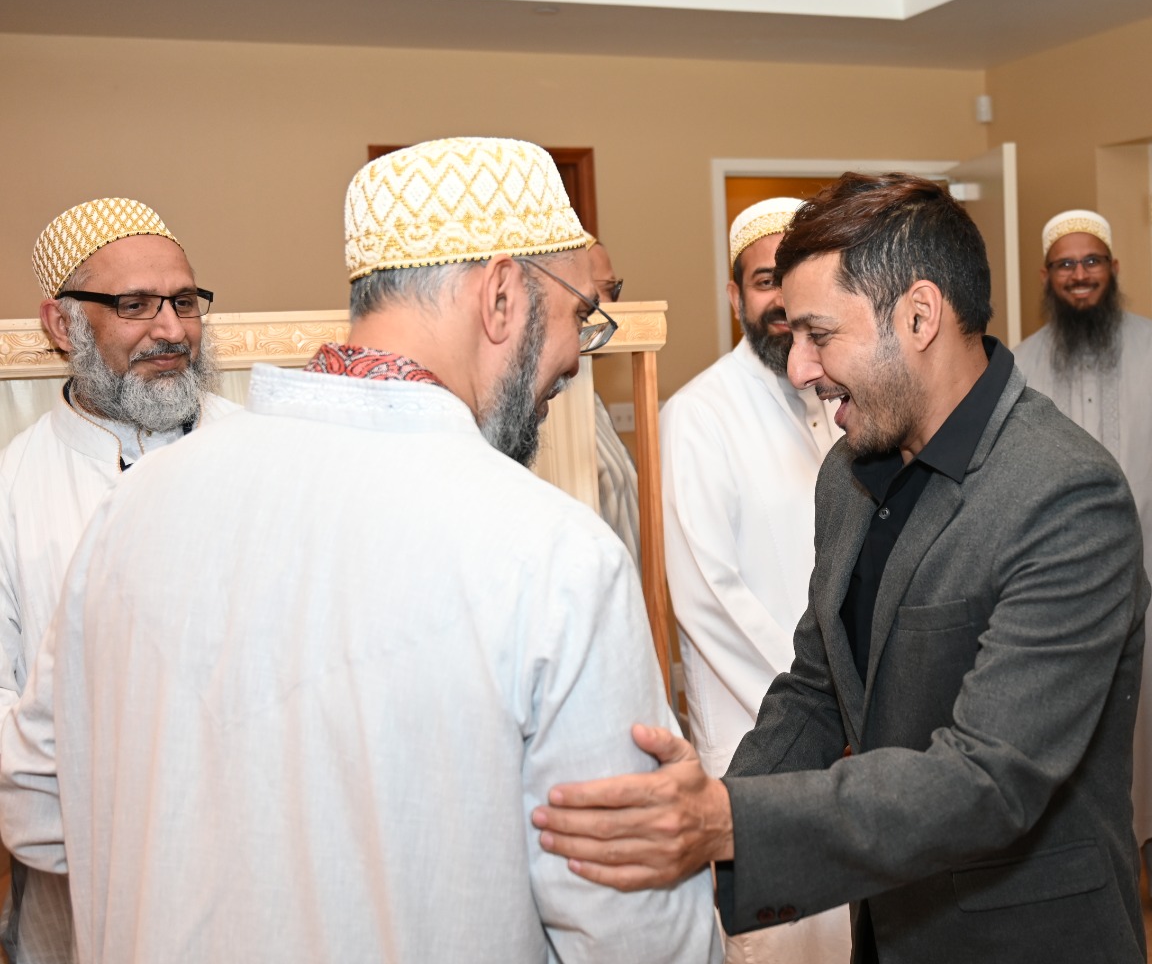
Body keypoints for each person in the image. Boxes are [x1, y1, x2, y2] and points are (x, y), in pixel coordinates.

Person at [0, 139, 720, 964]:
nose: (571, 357)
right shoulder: (552, 554)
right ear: (501, 293)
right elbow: (633, 932)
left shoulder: (131, 510)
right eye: (578, 316)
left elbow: (38, 808)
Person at [535, 173, 1151, 964]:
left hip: (1024, 935)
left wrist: (731, 825)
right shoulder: (851, 474)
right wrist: (718, 805)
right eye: (791, 336)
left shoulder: (1066, 495)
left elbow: (989, 779)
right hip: (891, 922)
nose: (799, 368)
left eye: (819, 335)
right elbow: (818, 684)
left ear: (920, 316)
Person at [0, 197, 239, 964]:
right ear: (63, 324)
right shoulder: (11, 492)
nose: (170, 330)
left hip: (262, 870)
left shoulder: (270, 456)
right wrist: (118, 845)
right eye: (134, 305)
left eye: (184, 302)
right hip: (84, 892)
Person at [1012, 208, 1152, 940]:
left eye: (1093, 262)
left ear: (1112, 269)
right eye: (1066, 264)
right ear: (1046, 277)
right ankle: (1085, 879)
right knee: (1070, 734)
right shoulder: (1019, 365)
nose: (1080, 275)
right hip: (1056, 586)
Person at [660, 196, 848, 963]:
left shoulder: (839, 394)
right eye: (763, 279)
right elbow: (708, 597)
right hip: (757, 731)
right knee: (781, 940)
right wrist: (827, 703)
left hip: (846, 741)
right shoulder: (699, 414)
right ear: (736, 295)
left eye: (793, 280)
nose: (779, 301)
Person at [586, 239, 642, 564]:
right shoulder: (556, 409)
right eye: (607, 290)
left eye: (614, 289)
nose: (613, 304)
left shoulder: (588, 397)